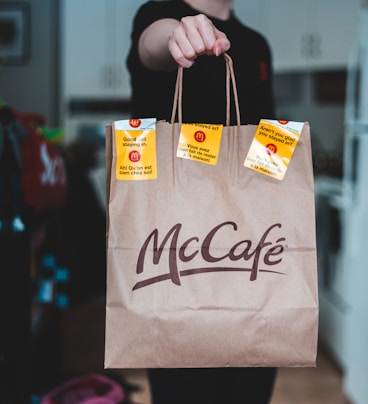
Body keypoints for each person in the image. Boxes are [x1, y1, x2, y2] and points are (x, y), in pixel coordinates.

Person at [127, 1, 276, 403]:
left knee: (250, 389)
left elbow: (267, 146)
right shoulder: (158, 13)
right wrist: (181, 34)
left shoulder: (257, 45)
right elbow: (152, 45)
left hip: (252, 256)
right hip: (174, 260)